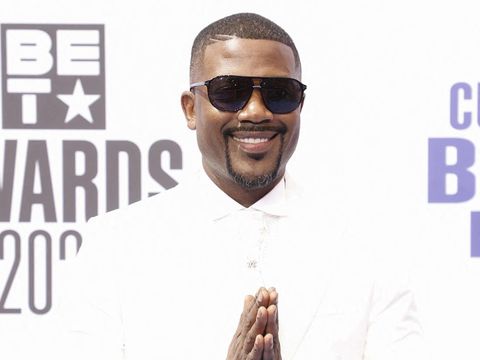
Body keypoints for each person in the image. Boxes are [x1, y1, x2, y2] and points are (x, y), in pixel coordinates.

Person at [61, 13, 426, 360]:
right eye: (229, 91)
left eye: (279, 92)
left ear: (300, 104)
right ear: (191, 109)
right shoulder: (115, 245)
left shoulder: (366, 247)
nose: (255, 111)